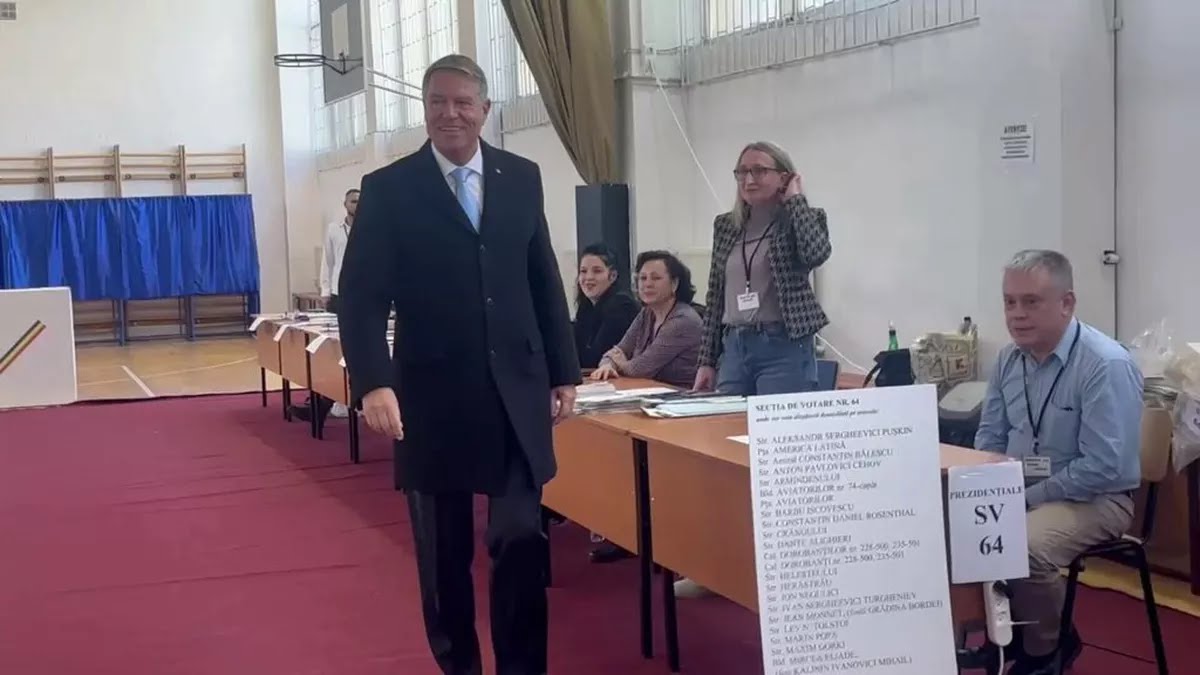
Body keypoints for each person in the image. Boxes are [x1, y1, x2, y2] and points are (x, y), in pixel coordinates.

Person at [337, 54, 579, 675]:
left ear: (485, 110)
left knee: (520, 536)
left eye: (463, 102)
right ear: (424, 110)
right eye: (438, 102)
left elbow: (543, 278)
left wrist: (564, 370)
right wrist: (374, 383)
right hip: (431, 398)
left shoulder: (521, 177)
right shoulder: (390, 190)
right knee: (444, 557)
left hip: (516, 391)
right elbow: (362, 297)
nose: (451, 114)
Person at [973, 249, 1142, 675]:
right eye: (1009, 302)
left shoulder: (1105, 364)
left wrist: (1024, 498)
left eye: (1031, 301)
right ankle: (1005, 635)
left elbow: (1103, 466)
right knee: (952, 527)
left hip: (1098, 498)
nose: (1017, 314)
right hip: (1024, 490)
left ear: (1067, 303)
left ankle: (1048, 648)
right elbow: (990, 436)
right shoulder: (1008, 360)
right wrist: (985, 488)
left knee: (1023, 545)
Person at [692, 141, 832, 396]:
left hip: (782, 344)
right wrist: (706, 360)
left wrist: (795, 200)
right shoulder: (726, 225)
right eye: (742, 172)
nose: (749, 179)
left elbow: (816, 254)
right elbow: (715, 297)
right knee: (728, 419)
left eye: (759, 171)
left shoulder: (803, 219)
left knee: (777, 420)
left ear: (784, 177)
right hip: (734, 344)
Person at [289, 188, 359, 424]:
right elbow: (327, 262)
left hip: (363, 296)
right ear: (345, 204)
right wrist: (325, 291)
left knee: (353, 351)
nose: (357, 205)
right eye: (353, 201)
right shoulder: (334, 229)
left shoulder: (372, 228)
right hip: (339, 294)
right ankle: (328, 400)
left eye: (360, 201)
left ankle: (339, 402)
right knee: (332, 350)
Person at [591, 250, 702, 389]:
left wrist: (620, 362)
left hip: (682, 395)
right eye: (643, 278)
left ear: (674, 283)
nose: (647, 284)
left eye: (656, 278)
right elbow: (617, 350)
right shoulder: (647, 313)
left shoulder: (683, 321)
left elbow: (640, 370)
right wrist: (607, 365)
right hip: (649, 391)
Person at [573, 243, 639, 370]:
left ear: (612, 275)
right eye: (583, 271)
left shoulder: (622, 306)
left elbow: (596, 357)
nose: (588, 278)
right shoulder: (586, 307)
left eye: (597, 271)